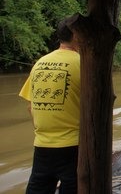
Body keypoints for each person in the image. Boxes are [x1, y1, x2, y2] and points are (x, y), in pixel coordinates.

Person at [19, 17, 80, 194]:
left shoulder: (40, 63)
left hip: (42, 146)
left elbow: (30, 106)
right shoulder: (83, 63)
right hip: (73, 147)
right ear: (76, 35)